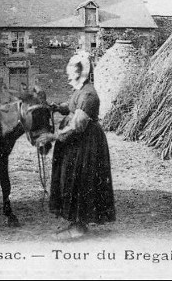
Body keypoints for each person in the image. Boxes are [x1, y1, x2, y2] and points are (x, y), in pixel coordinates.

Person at [37, 53, 116, 239]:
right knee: (71, 180)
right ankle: (75, 222)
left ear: (81, 74)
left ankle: (80, 226)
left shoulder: (89, 94)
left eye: (70, 74)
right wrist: (57, 107)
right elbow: (72, 106)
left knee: (81, 181)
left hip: (86, 144)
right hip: (77, 144)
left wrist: (53, 136)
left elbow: (77, 124)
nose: (67, 77)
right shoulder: (80, 91)